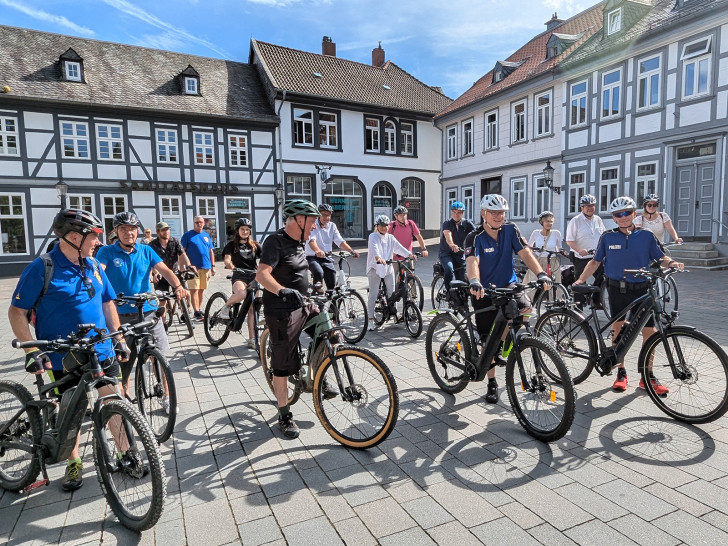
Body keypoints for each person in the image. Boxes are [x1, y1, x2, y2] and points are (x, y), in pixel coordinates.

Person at [8, 209, 127, 492]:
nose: (98, 241)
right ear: (74, 237)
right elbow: (17, 312)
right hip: (64, 353)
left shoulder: (95, 265)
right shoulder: (42, 267)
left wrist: (119, 337)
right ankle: (73, 462)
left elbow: (108, 302)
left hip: (101, 348)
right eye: (93, 236)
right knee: (70, 411)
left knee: (115, 402)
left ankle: (125, 453)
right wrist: (32, 352)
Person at [574, 196, 683, 394]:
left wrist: (672, 263)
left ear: (635, 214)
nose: (623, 217)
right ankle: (620, 372)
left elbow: (661, 257)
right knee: (618, 330)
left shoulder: (646, 235)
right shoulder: (607, 237)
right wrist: (580, 280)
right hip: (617, 290)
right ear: (614, 218)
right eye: (618, 214)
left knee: (650, 333)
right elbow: (595, 262)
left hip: (643, 289)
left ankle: (647, 376)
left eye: (627, 213)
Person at [255, 199, 338, 439]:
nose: (314, 226)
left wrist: (317, 286)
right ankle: (284, 414)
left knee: (329, 330)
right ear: (298, 220)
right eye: (312, 221)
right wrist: (281, 290)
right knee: (283, 362)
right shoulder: (275, 241)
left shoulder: (301, 242)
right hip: (281, 309)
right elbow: (262, 274)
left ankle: (319, 375)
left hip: (302, 303)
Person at [465, 195, 551, 404]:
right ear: (483, 213)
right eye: (494, 212)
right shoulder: (474, 237)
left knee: (526, 308)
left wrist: (540, 274)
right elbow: (472, 261)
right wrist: (475, 281)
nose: (499, 216)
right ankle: (492, 382)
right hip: (484, 292)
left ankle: (504, 341)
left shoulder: (510, 230)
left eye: (502, 212)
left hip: (509, 285)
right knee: (488, 342)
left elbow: (525, 253)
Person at [96, 212, 189, 405]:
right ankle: (124, 400)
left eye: (132, 229)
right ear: (116, 232)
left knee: (160, 356)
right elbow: (99, 273)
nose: (129, 233)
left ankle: (167, 395)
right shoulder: (106, 252)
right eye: (123, 229)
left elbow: (165, 270)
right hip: (120, 315)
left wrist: (178, 286)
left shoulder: (146, 251)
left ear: (137, 231)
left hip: (148, 311)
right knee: (124, 360)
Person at [366, 215, 414, 332]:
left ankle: (395, 315)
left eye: (387, 225)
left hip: (388, 267)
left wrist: (409, 254)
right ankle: (370, 320)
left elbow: (399, 248)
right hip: (375, 267)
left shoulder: (391, 237)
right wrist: (378, 258)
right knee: (373, 294)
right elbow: (374, 248)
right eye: (382, 225)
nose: (385, 228)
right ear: (377, 226)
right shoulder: (373, 236)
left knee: (392, 292)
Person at [222, 217, 261, 349]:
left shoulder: (255, 245)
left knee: (252, 309)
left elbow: (267, 258)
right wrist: (230, 265)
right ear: (237, 231)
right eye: (242, 229)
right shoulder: (231, 245)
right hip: (239, 274)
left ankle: (252, 339)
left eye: (247, 229)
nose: (245, 231)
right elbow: (227, 259)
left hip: (254, 276)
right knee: (241, 294)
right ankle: (226, 306)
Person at [305, 203, 359, 292]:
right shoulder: (313, 225)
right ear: (319, 214)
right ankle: (318, 297)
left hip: (326, 257)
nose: (327, 218)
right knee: (319, 272)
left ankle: (333, 303)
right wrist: (317, 250)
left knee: (332, 279)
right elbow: (312, 241)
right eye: (324, 215)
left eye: (329, 215)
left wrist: (351, 251)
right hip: (312, 257)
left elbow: (340, 241)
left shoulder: (332, 226)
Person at [565, 194, 606, 310]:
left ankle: (595, 299)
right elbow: (569, 240)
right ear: (581, 208)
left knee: (603, 276)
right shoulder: (576, 221)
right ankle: (578, 307)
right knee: (580, 281)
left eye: (592, 205)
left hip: (595, 256)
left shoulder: (598, 219)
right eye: (586, 206)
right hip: (580, 257)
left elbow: (603, 235)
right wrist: (579, 250)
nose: (589, 208)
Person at [181, 216, 216, 321]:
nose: (199, 224)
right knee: (194, 290)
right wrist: (184, 266)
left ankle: (199, 310)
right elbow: (182, 251)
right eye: (196, 222)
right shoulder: (188, 235)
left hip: (205, 267)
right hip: (193, 268)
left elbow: (210, 251)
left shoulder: (206, 235)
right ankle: (196, 311)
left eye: (200, 222)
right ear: (193, 223)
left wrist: (213, 266)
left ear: (203, 223)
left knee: (201, 290)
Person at [439, 201, 477, 290]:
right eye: (454, 212)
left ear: (462, 213)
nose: (456, 215)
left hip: (460, 254)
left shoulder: (467, 224)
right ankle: (448, 292)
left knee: (463, 279)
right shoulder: (447, 223)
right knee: (449, 269)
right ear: (451, 213)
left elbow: (477, 234)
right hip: (446, 253)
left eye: (459, 212)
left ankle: (461, 300)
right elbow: (447, 235)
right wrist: (452, 244)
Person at [523, 210, 563, 288]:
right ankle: (532, 299)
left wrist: (562, 252)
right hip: (539, 261)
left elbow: (559, 248)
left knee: (556, 283)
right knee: (534, 282)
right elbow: (529, 247)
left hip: (552, 261)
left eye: (551, 221)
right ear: (542, 222)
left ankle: (555, 299)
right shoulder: (536, 233)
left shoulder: (556, 233)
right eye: (547, 221)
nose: (549, 224)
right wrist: (533, 254)